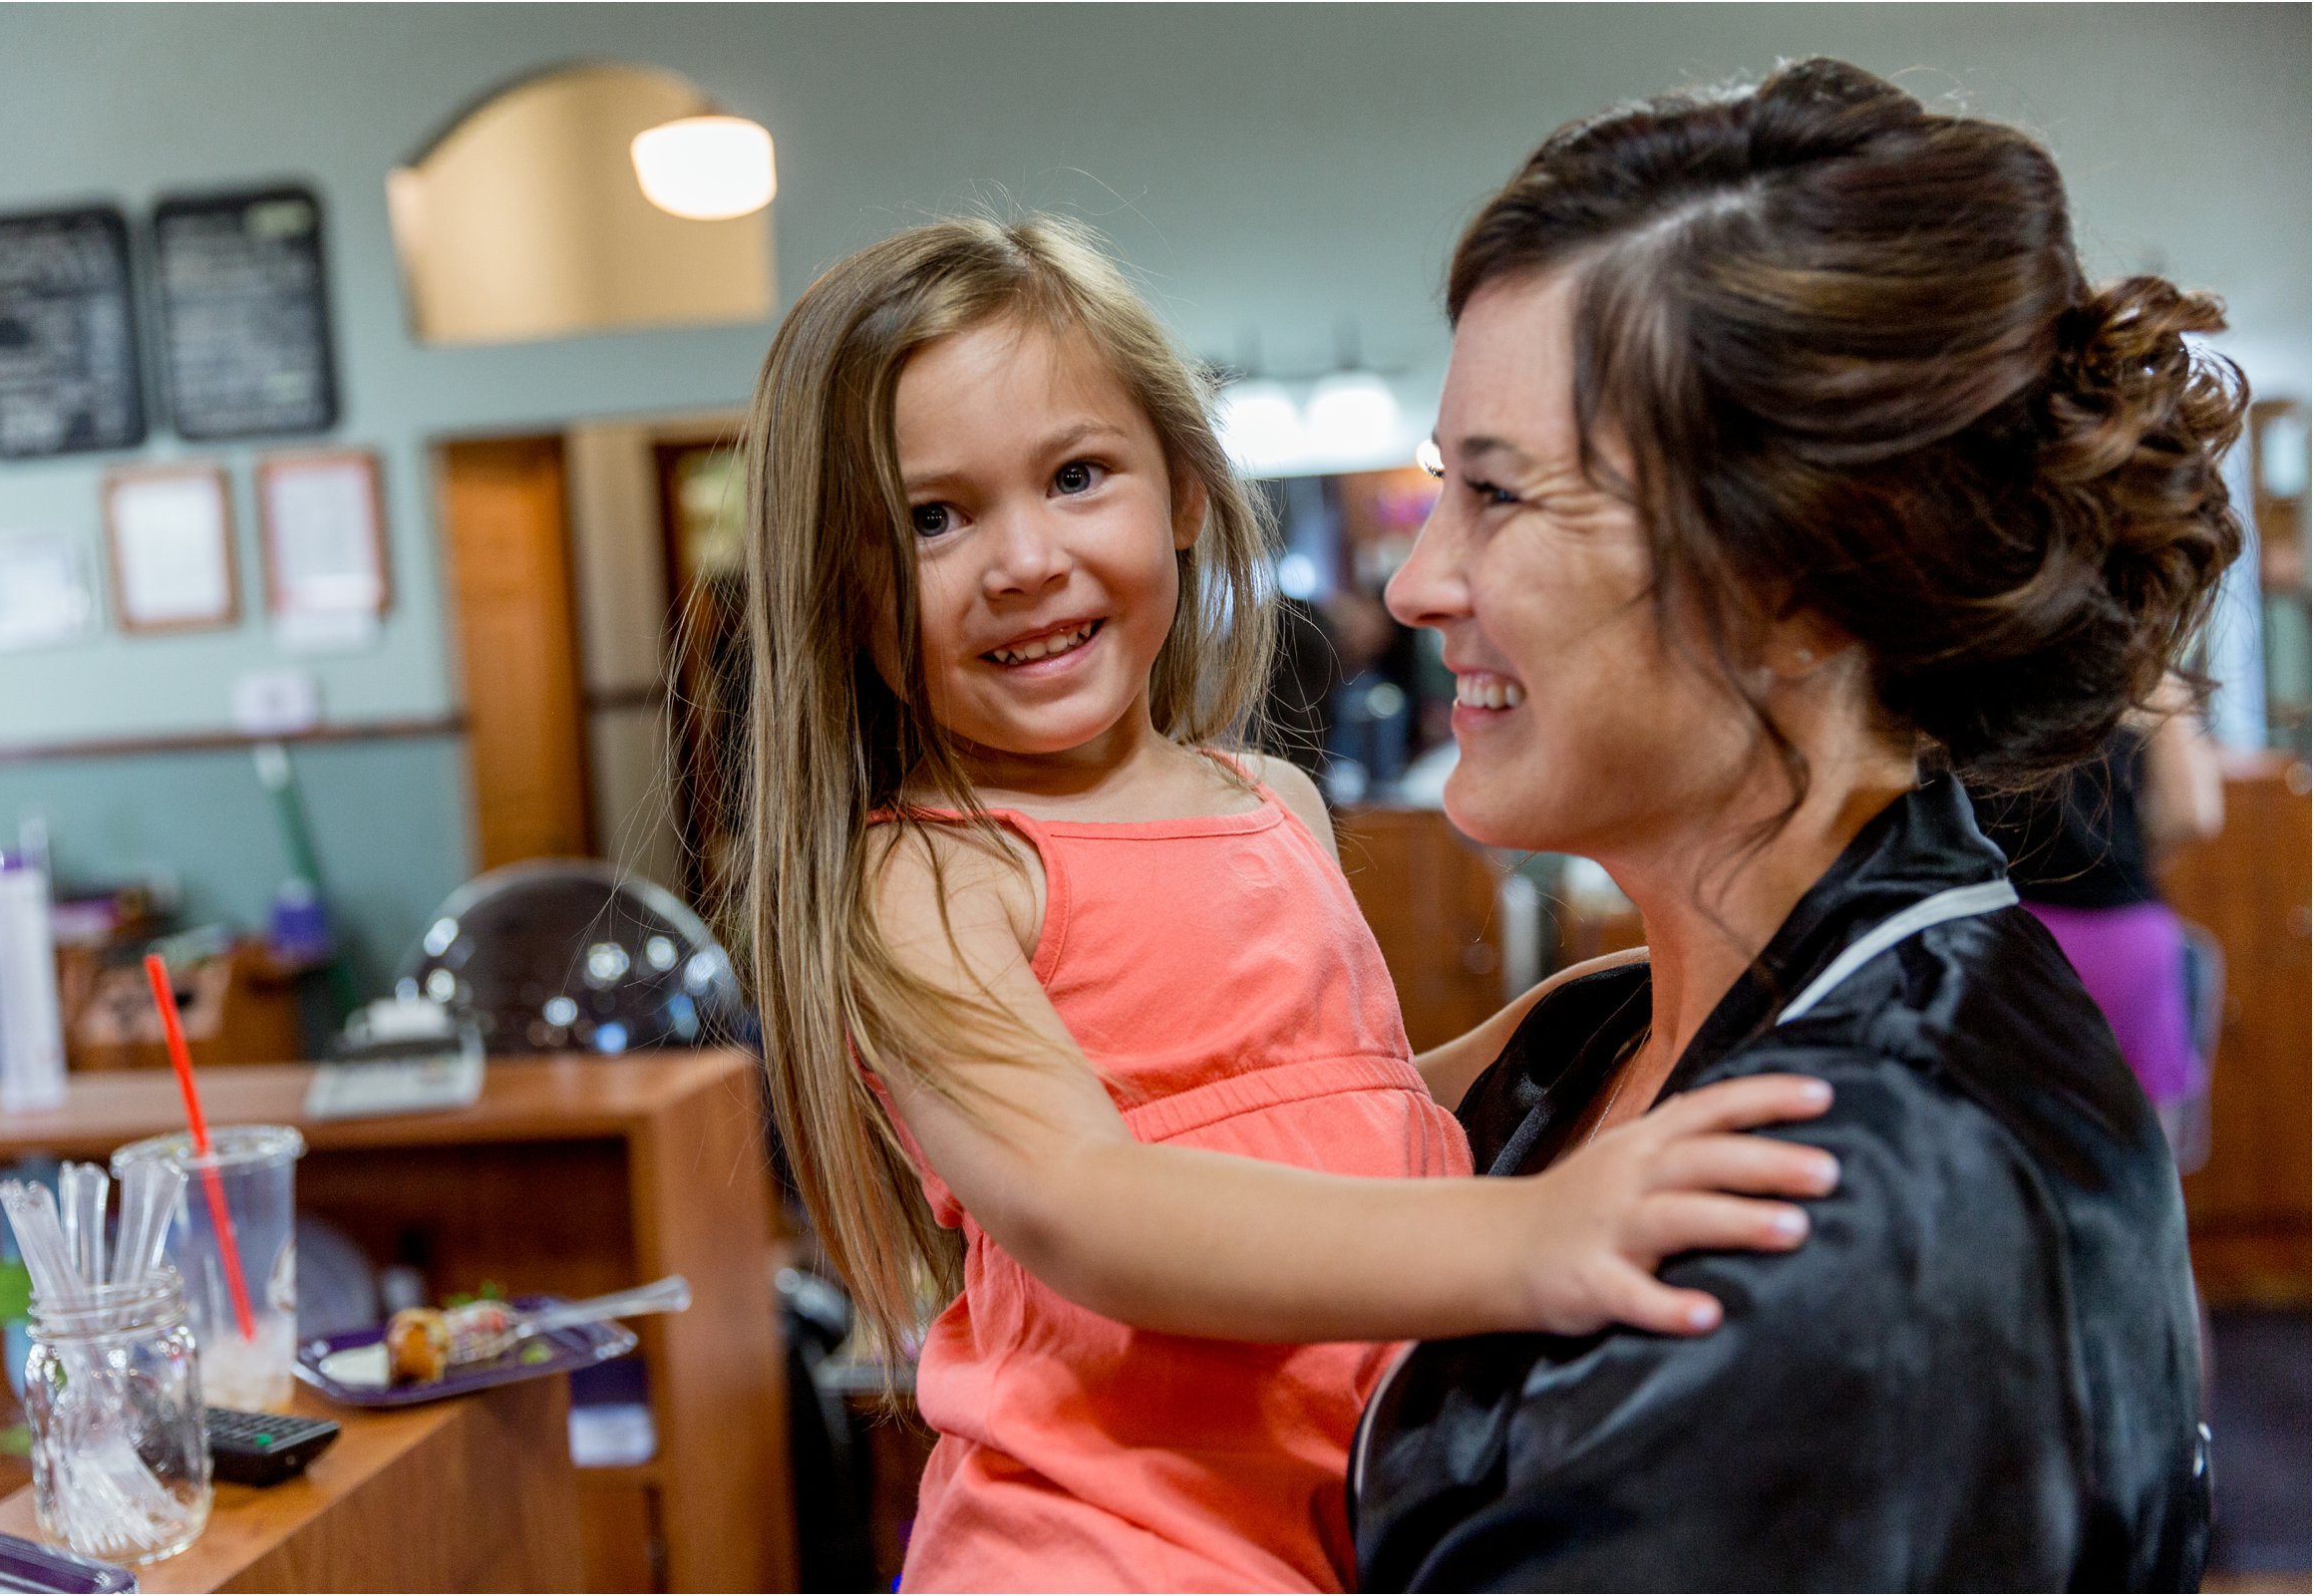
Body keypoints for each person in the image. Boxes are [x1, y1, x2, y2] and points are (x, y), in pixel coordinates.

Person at [728, 215, 1842, 1592]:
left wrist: (1577, 1024)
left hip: (1332, 1512)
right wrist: (1530, 1240)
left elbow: (1331, 1104)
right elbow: (1096, 1203)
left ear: (1183, 493)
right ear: (842, 589)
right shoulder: (937, 877)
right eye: (931, 518)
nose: (1020, 560)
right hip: (1099, 1542)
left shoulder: (1268, 800)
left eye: (1075, 476)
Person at [1352, 59, 2241, 1591]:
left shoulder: (1852, 1206)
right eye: (1443, 491)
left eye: (1497, 499)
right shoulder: (1612, 1028)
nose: (1416, 585)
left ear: (1794, 579)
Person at [1973, 674, 2227, 1152]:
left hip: (2006, 936)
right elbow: (2196, 812)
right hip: (2124, 937)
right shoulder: (2138, 665)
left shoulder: (1982, 640)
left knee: (2014, 1156)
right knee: (2146, 1156)